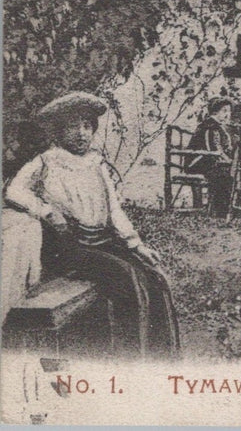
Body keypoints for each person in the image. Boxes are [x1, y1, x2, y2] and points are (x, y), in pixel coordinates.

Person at [3, 92, 180, 358]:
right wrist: (47, 211)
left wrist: (137, 245)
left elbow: (114, 211)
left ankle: (158, 358)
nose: (82, 133)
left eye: (87, 126)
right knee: (126, 278)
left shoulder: (96, 164)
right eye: (73, 126)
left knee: (154, 277)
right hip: (69, 247)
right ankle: (127, 358)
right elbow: (14, 191)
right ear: (59, 131)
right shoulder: (47, 161)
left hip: (103, 241)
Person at [188, 97, 234, 217]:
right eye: (224, 111)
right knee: (224, 175)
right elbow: (212, 149)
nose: (227, 115)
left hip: (210, 161)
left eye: (229, 111)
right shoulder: (209, 126)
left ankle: (222, 209)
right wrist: (228, 161)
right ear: (215, 112)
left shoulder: (218, 127)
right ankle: (220, 211)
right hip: (198, 162)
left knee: (229, 172)